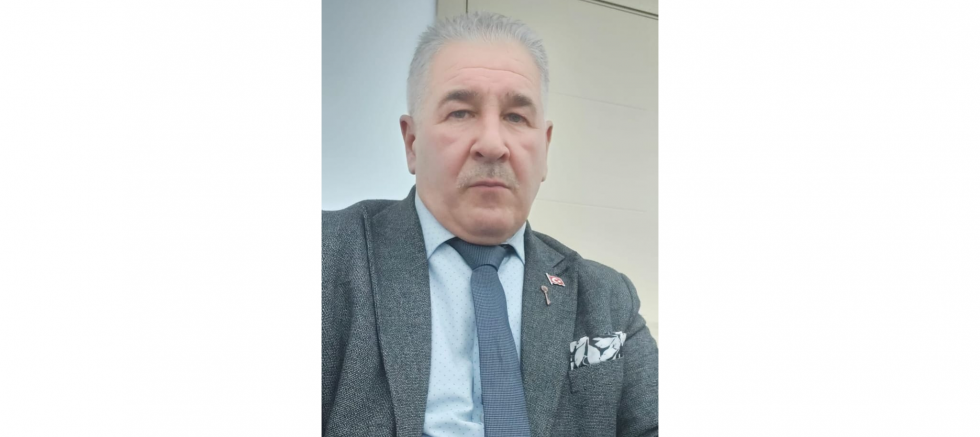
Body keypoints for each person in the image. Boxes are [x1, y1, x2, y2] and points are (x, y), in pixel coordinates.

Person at [323, 11, 658, 437]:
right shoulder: (327, 258)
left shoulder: (607, 298)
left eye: (516, 117)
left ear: (545, 148)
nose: (493, 144)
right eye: (461, 112)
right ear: (412, 142)